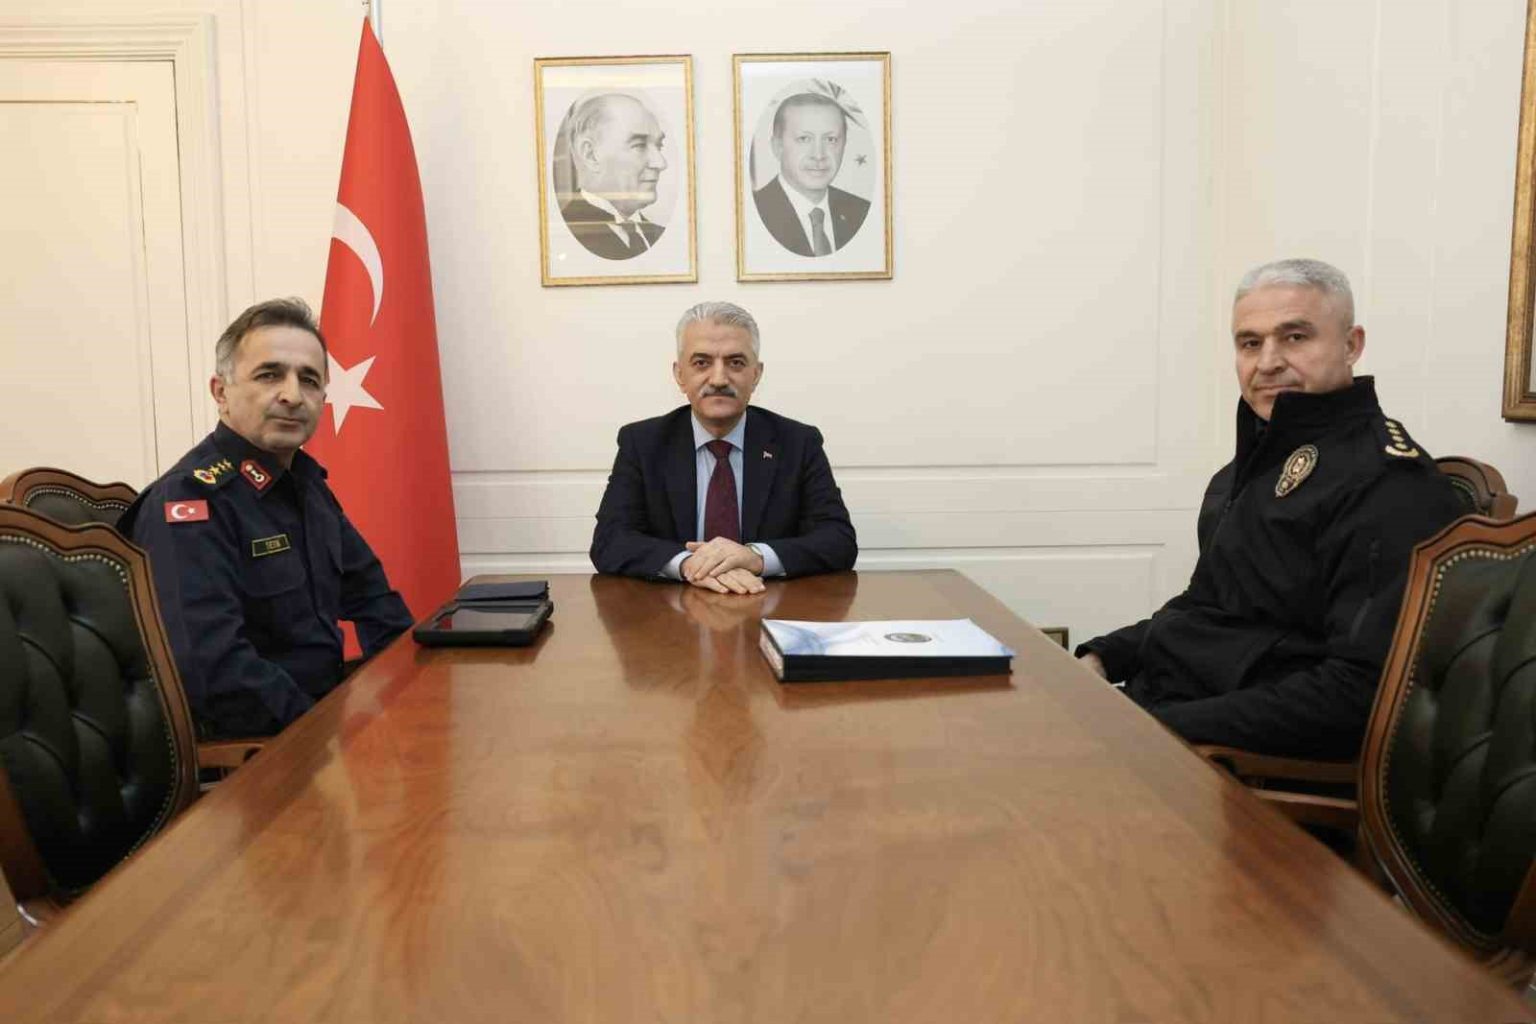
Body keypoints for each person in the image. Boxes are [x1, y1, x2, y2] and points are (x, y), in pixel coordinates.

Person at [1074, 259, 1464, 759]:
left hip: (1239, 762)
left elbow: (1361, 693)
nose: (1268, 362)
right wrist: (1104, 656)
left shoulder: (1386, 481)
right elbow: (1208, 608)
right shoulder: (1256, 465)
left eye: (1295, 337)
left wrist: (1149, 728)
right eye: (1250, 343)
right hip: (1173, 716)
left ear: (1351, 345)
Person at [118, 298, 413, 738]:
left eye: (309, 380)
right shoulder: (191, 500)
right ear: (221, 393)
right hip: (259, 751)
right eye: (269, 375)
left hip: (320, 726)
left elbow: (377, 605)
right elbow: (213, 668)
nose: (292, 395)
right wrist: (324, 734)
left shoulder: (305, 486)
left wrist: (413, 692)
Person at [590, 301, 857, 592]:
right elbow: (609, 540)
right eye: (701, 363)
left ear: (756, 374)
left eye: (736, 362)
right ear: (680, 374)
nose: (718, 379)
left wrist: (755, 557)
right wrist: (688, 564)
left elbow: (838, 540)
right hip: (671, 609)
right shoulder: (642, 443)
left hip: (768, 602)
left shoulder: (798, 442)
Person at [752, 92, 870, 257]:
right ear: (777, 147)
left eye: (831, 139)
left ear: (844, 145)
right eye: (804, 139)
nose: (818, 155)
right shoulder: (753, 213)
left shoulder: (862, 211)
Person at [559, 92, 668, 261]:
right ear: (590, 155)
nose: (660, 163)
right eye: (639, 145)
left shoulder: (663, 237)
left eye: (658, 146)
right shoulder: (561, 236)